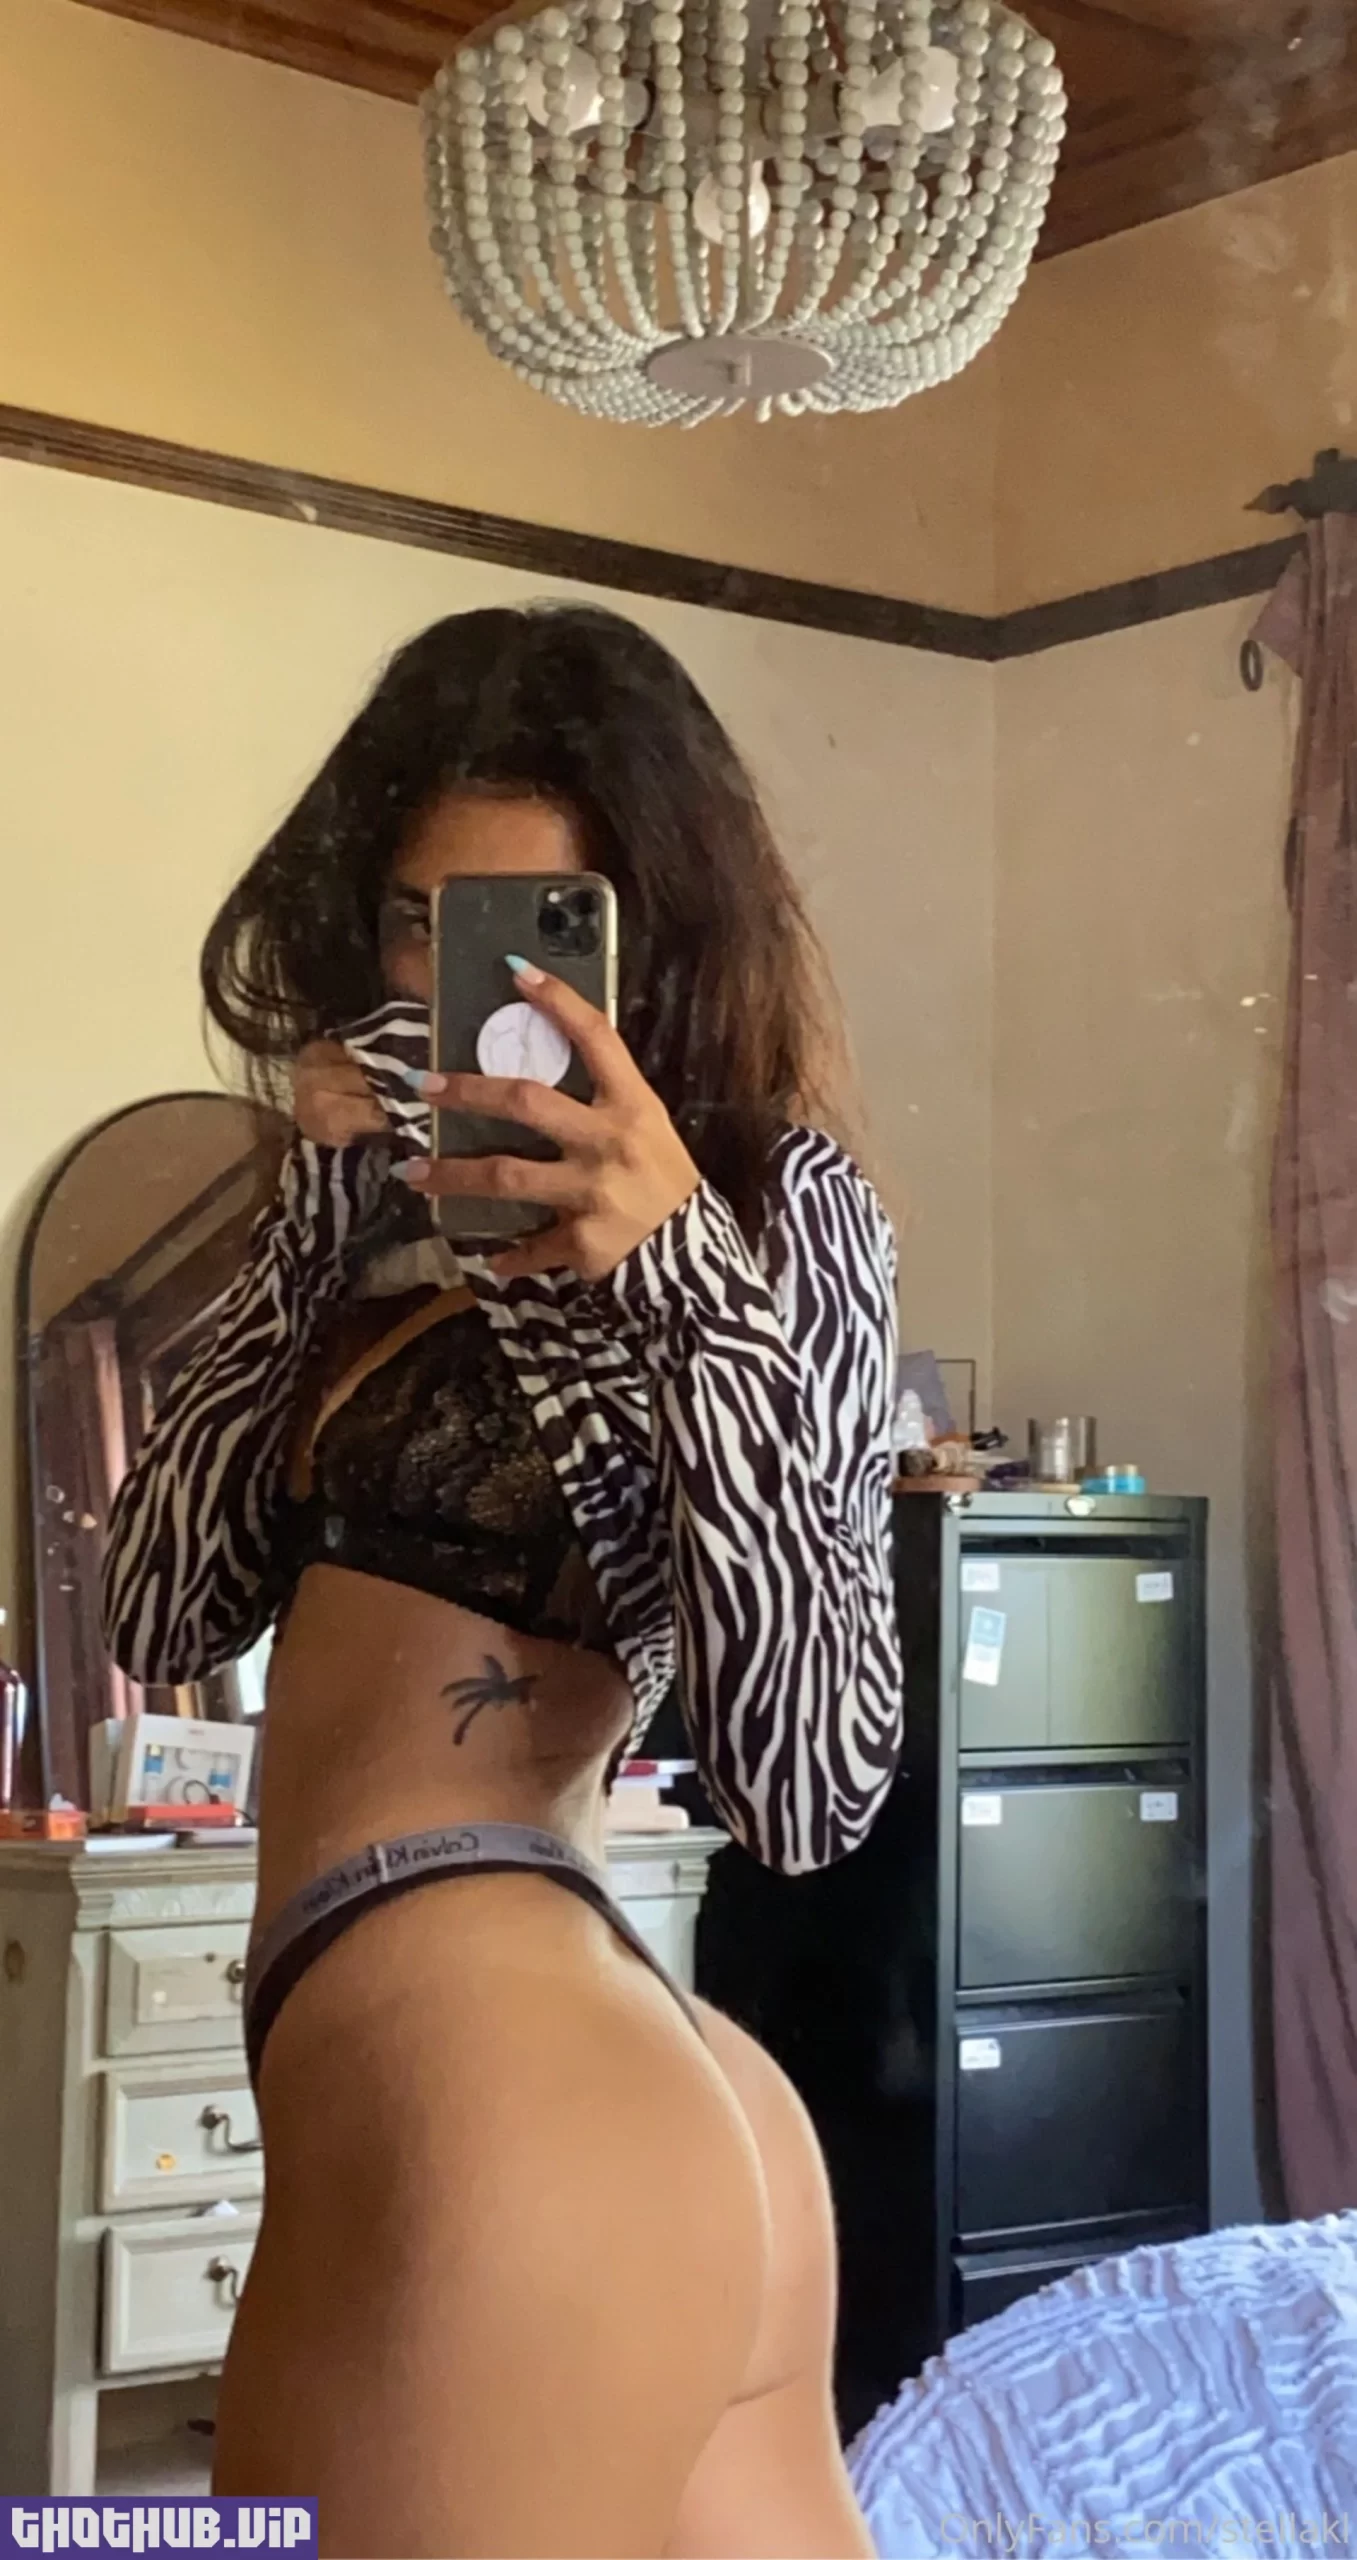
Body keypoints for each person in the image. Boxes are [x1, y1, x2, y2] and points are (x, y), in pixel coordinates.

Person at [102, 602, 902, 2557]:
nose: (459, 987)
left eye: (543, 930)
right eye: (416, 921)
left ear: (657, 934)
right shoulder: (366, 1220)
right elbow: (158, 1610)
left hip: (509, 2108)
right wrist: (308, 1227)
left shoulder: (772, 1203)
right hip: (560, 2090)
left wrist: (675, 1268)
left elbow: (811, 1783)